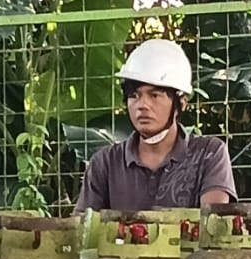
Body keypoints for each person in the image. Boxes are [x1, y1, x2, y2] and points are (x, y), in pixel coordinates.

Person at [74, 39, 237, 213]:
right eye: (134, 95)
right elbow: (83, 225)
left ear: (181, 103)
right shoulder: (105, 163)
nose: (142, 105)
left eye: (155, 96)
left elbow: (213, 221)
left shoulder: (209, 153)